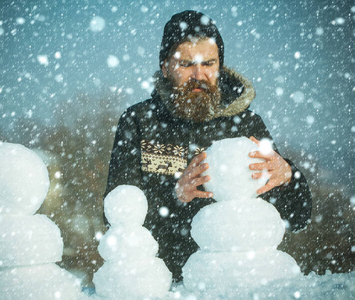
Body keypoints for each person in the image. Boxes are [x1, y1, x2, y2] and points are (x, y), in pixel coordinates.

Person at [104, 10, 312, 282]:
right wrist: (174, 197)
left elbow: (298, 218)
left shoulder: (246, 125)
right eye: (187, 64)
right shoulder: (139, 122)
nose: (199, 75)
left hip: (241, 283)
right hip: (164, 285)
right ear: (165, 67)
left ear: (220, 66)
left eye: (209, 64)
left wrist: (289, 179)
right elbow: (116, 220)